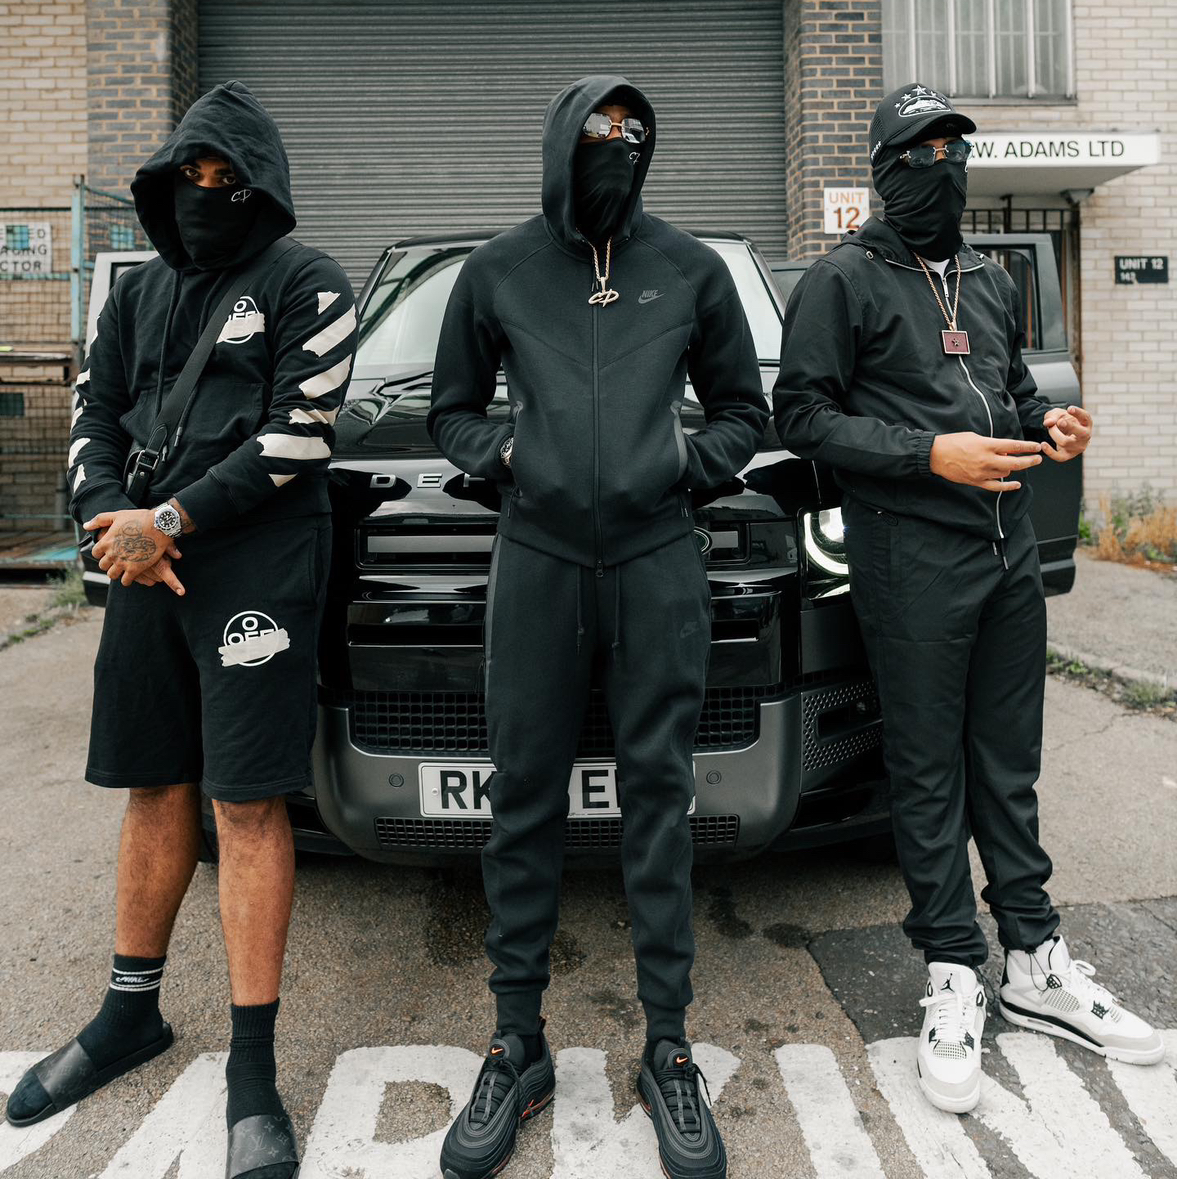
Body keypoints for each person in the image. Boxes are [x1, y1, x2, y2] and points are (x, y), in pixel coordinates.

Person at [773, 82, 1163, 1114]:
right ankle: (953, 968)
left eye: (956, 148)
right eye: (921, 151)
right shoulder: (842, 281)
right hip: (909, 557)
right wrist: (925, 454)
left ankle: (1033, 958)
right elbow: (799, 415)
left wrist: (1053, 427)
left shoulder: (989, 278)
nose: (943, 166)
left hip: (1006, 554)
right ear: (884, 170)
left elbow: (1014, 395)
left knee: (1007, 763)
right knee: (926, 768)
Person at [3, 81, 357, 1179]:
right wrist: (114, 519)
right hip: (142, 564)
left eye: (226, 178)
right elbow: (94, 415)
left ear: (262, 186)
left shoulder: (310, 281)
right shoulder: (137, 292)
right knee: (154, 784)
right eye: (189, 175)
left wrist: (166, 522)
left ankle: (253, 1068)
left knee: (244, 802)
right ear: (163, 184)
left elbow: (300, 436)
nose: (205, 193)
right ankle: (129, 1014)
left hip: (254, 565)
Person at [428, 75, 766, 1179]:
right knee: (521, 793)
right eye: (598, 130)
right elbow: (450, 410)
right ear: (559, 143)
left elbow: (743, 412)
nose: (617, 145)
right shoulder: (498, 270)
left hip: (656, 559)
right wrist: (508, 455)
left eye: (634, 132)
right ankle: (514, 1043)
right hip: (537, 559)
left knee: (657, 798)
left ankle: (667, 1047)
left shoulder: (691, 269)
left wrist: (678, 463)